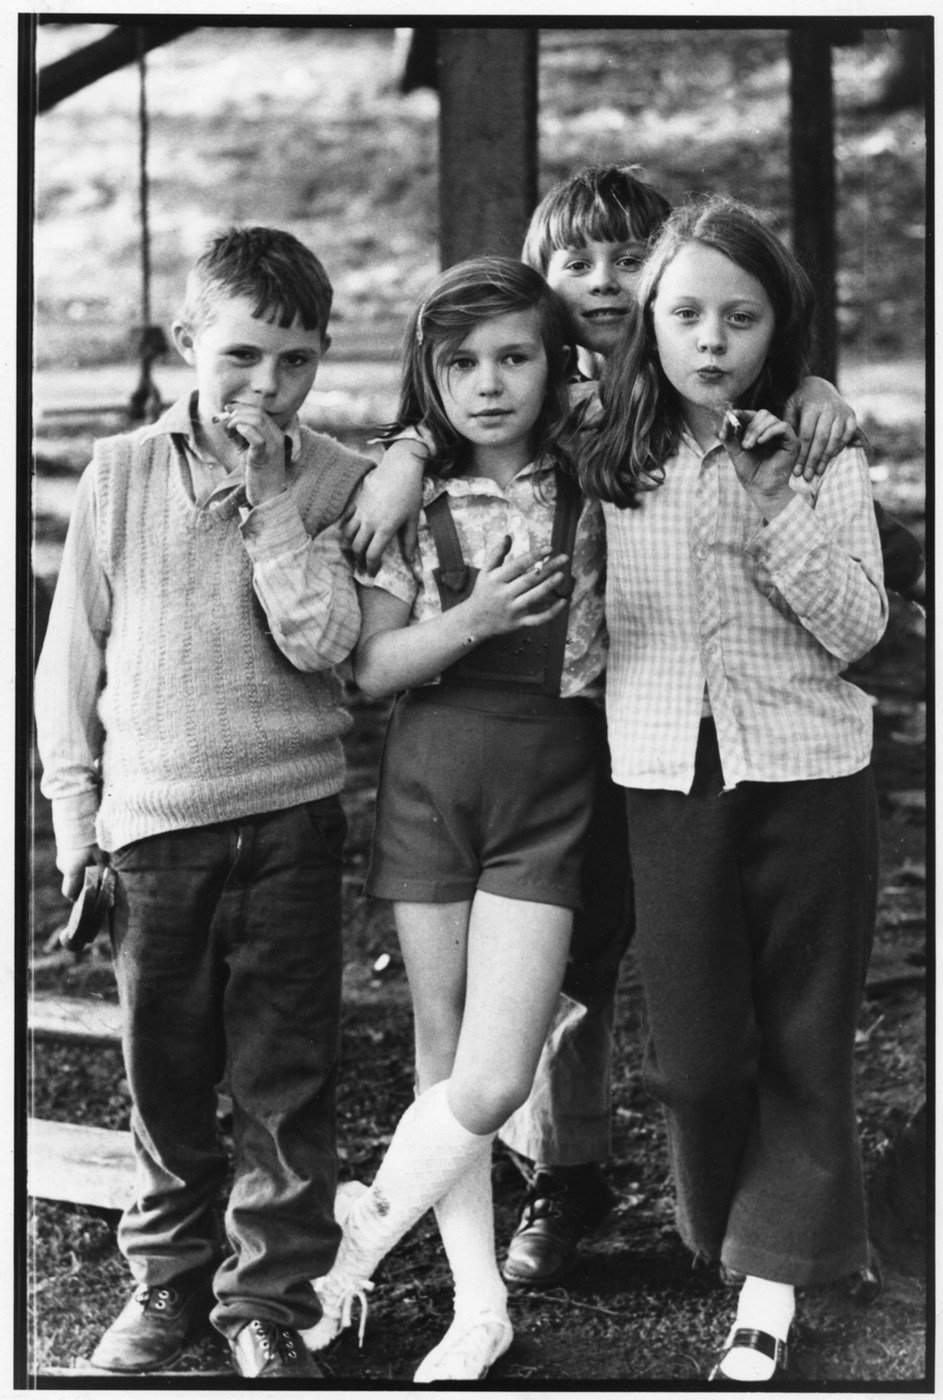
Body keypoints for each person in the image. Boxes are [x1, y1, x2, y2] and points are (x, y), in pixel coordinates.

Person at [341, 165, 919, 1291]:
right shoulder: (563, 405)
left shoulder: (757, 411)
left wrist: (812, 407)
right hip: (578, 741)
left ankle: (768, 1242)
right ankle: (564, 1173)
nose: (602, 281)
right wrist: (404, 451)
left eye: (627, 259)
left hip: (735, 739)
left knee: (717, 991)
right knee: (585, 975)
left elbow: (852, 590)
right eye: (577, 262)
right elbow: (459, 406)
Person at [34, 226, 374, 1381]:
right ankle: (167, 1279)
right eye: (240, 356)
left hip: (290, 816)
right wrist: (78, 829)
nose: (265, 387)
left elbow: (327, 639)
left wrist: (273, 503)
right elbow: (65, 665)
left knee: (287, 1071)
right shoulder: (120, 473)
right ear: (187, 341)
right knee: (165, 1070)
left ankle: (267, 1297)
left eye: (295, 362)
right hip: (154, 832)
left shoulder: (335, 478)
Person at [577, 194, 887, 1383]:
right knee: (699, 1052)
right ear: (645, 317)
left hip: (810, 763)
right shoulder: (604, 446)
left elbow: (857, 626)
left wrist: (776, 510)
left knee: (806, 1032)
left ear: (778, 326)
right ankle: (735, 1228)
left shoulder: (815, 446)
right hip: (663, 767)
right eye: (687, 312)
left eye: (741, 317)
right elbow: (466, 396)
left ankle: (773, 1277)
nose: (712, 340)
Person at [300, 257, 610, 1381]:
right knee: (442, 1055)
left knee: (490, 1078)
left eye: (514, 358)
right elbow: (374, 668)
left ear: (554, 365)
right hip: (432, 781)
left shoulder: (594, 475)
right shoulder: (412, 503)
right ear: (427, 377)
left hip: (550, 787)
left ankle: (357, 1242)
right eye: (460, 364)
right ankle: (477, 1304)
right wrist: (474, 614)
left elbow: (643, 392)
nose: (488, 384)